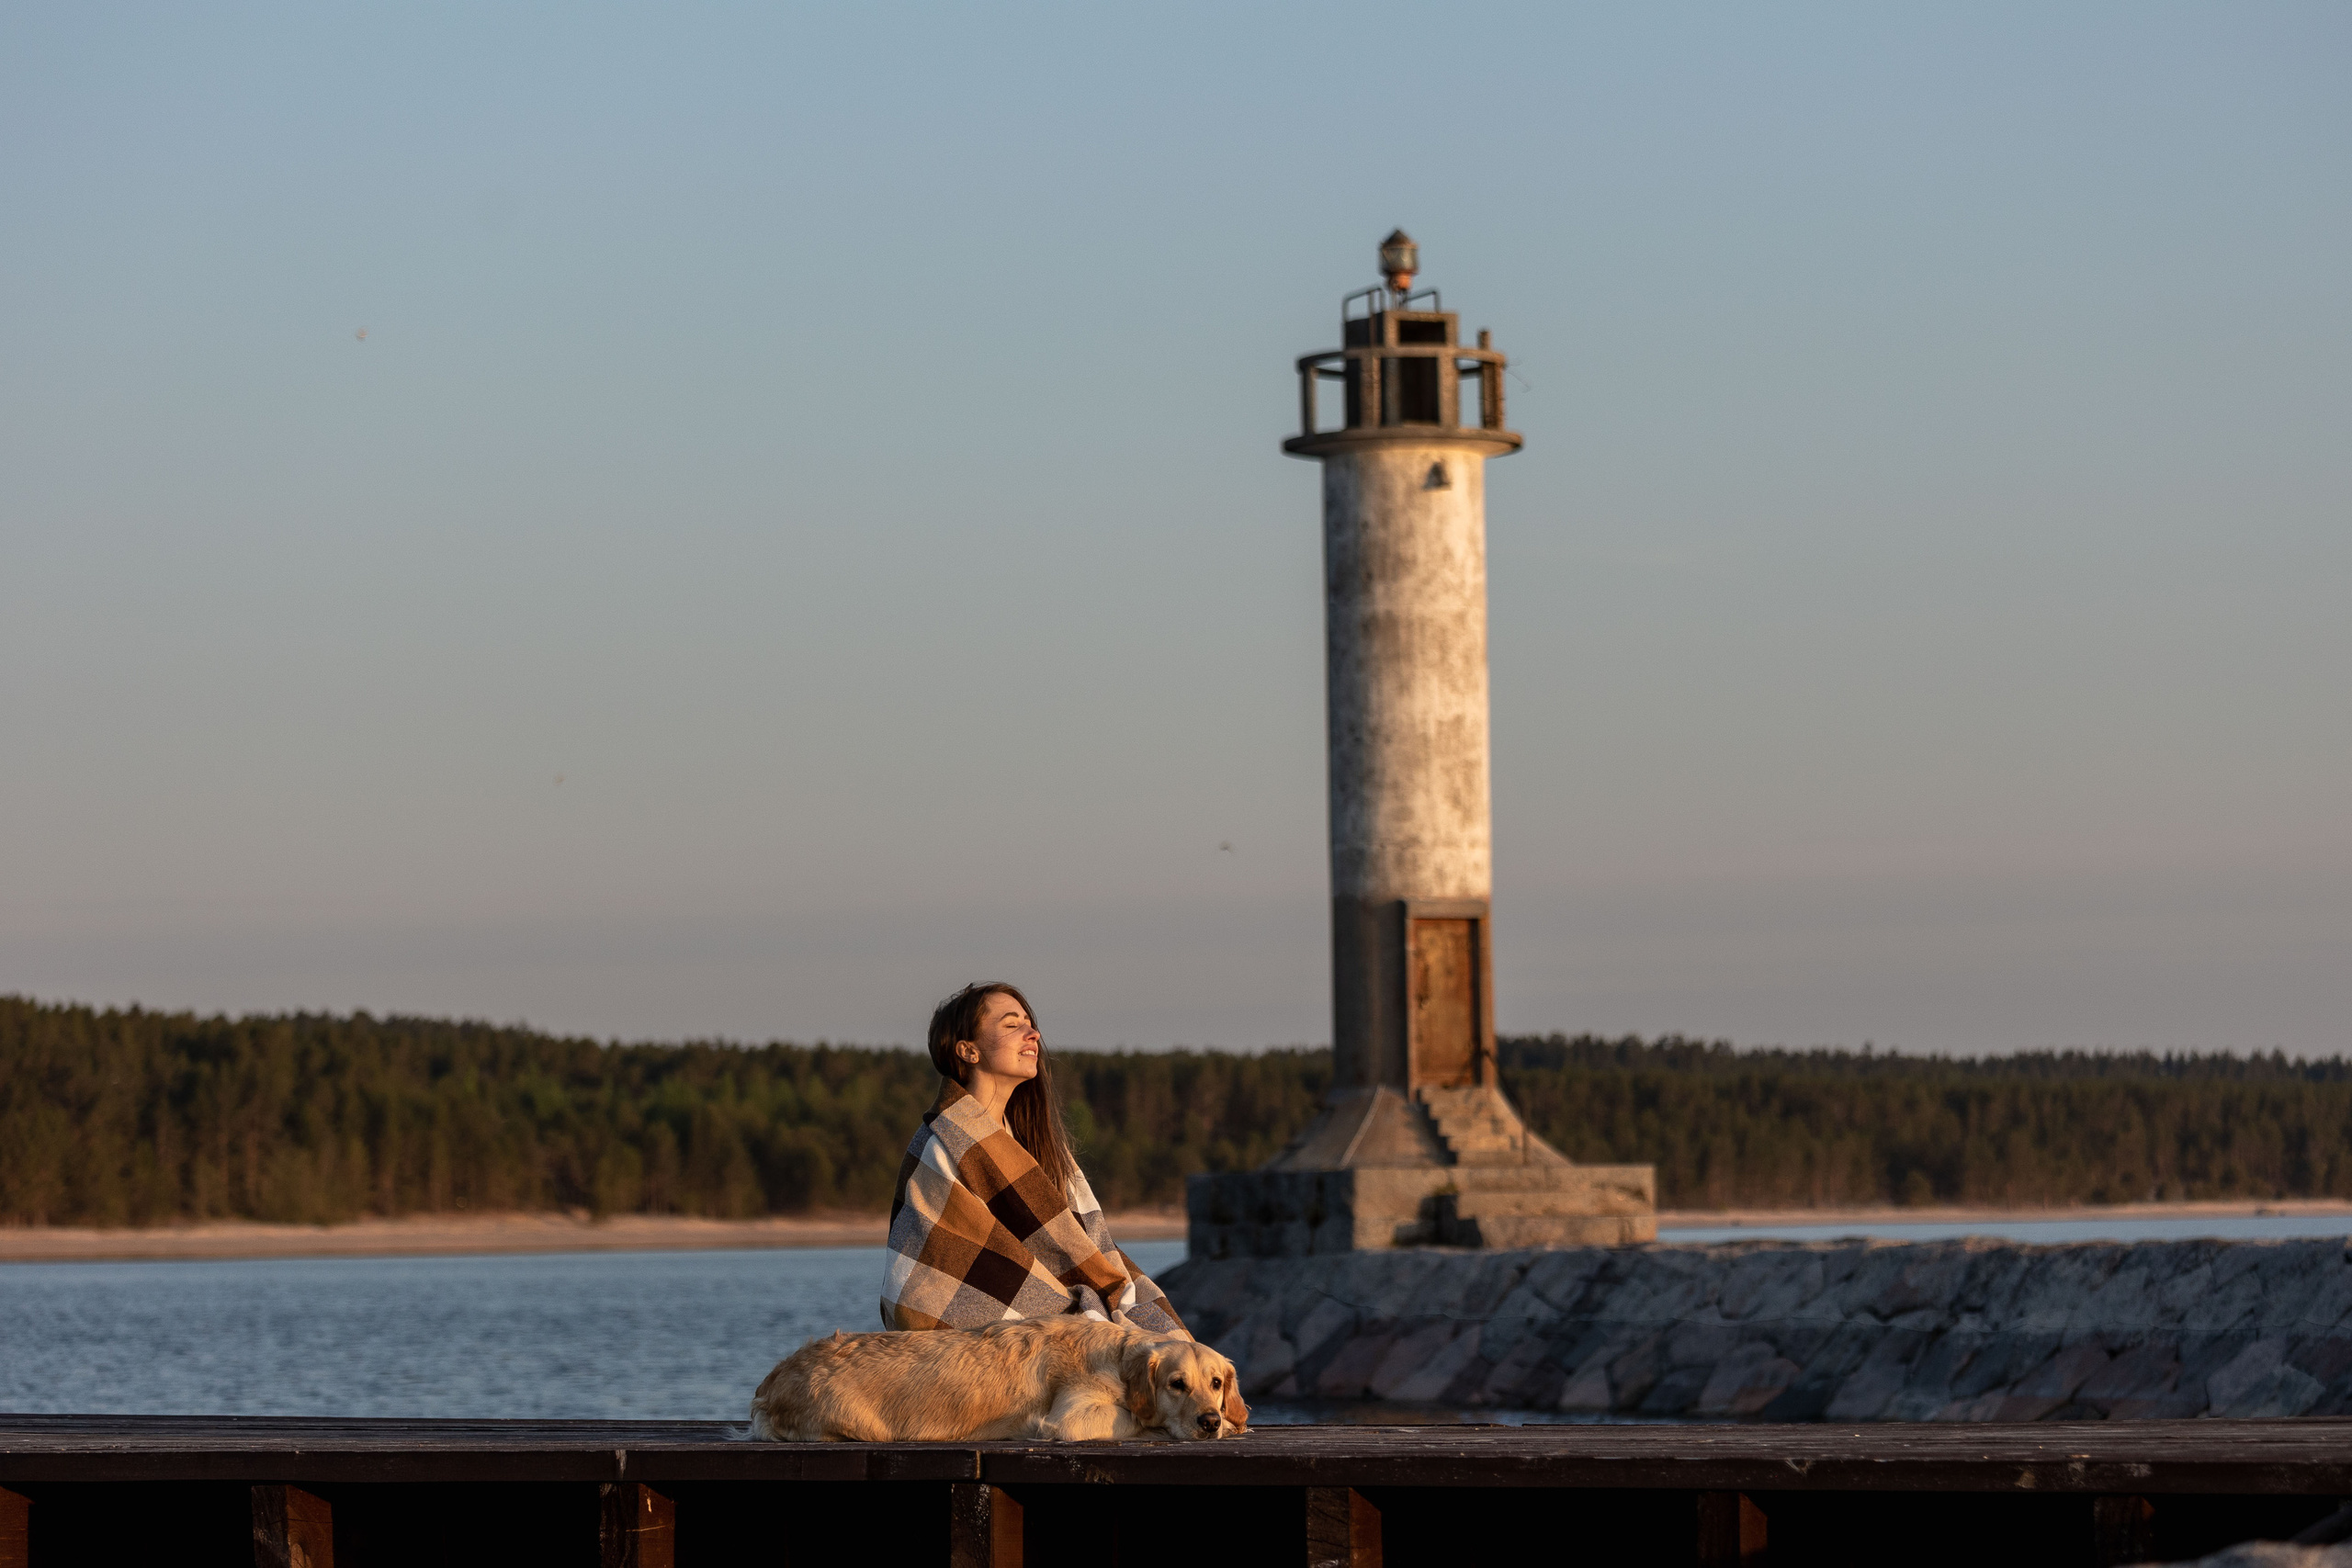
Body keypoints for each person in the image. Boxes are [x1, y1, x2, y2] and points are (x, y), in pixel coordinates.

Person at [880, 982, 1190, 1337]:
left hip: (1062, 1323)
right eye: (1012, 1025)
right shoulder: (939, 1149)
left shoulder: (1035, 1145)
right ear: (968, 1051)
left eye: (1030, 1024)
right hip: (996, 1347)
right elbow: (921, 1288)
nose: (1034, 1034)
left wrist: (1096, 1313)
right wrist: (1079, 1321)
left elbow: (1089, 1250)